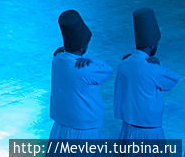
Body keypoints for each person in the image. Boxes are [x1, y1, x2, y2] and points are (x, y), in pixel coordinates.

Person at [114, 8, 179, 141]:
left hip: (127, 130)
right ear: (152, 45)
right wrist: (158, 64)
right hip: (150, 133)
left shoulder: (124, 64)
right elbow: (172, 80)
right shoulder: (153, 68)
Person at [48, 10, 112, 143]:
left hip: (60, 129)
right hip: (84, 132)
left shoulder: (57, 59)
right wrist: (89, 59)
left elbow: (62, 54)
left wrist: (65, 50)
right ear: (83, 47)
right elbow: (108, 70)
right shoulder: (85, 69)